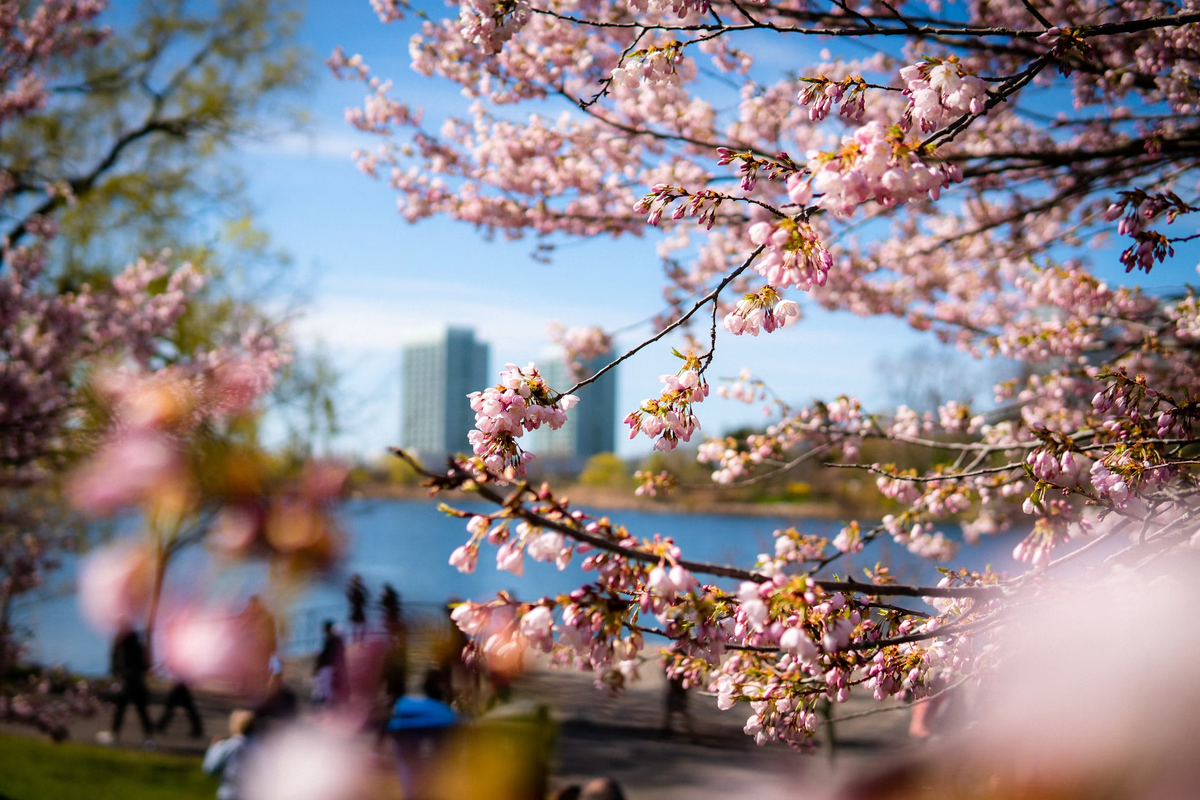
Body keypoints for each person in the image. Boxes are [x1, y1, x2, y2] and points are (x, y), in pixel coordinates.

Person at [388, 669, 458, 799]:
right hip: (439, 739)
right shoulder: (446, 713)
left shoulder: (404, 707)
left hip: (406, 737)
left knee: (411, 776)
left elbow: (393, 725)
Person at [97, 626, 155, 746]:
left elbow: (120, 664)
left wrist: (118, 673)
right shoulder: (137, 647)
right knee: (140, 710)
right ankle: (149, 737)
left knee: (123, 709)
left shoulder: (125, 648)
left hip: (128, 683)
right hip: (137, 682)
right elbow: (144, 666)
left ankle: (115, 734)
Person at [203, 709, 256, 800]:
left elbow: (210, 768)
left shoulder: (226, 747)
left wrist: (213, 749)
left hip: (229, 793)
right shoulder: (260, 749)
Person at [312, 620, 347, 708]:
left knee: (326, 690)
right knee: (325, 689)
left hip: (327, 667)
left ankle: (328, 706)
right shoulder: (332, 640)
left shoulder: (332, 640)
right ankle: (328, 705)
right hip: (328, 667)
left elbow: (328, 655)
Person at [661, 673, 695, 740]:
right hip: (675, 694)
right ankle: (666, 732)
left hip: (677, 694)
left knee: (673, 715)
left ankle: (692, 735)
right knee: (671, 715)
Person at [346, 574, 368, 643]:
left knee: (357, 625)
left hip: (357, 608)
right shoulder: (355, 589)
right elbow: (366, 595)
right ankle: (357, 640)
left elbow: (349, 597)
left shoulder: (354, 588)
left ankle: (357, 640)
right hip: (357, 608)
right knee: (358, 625)